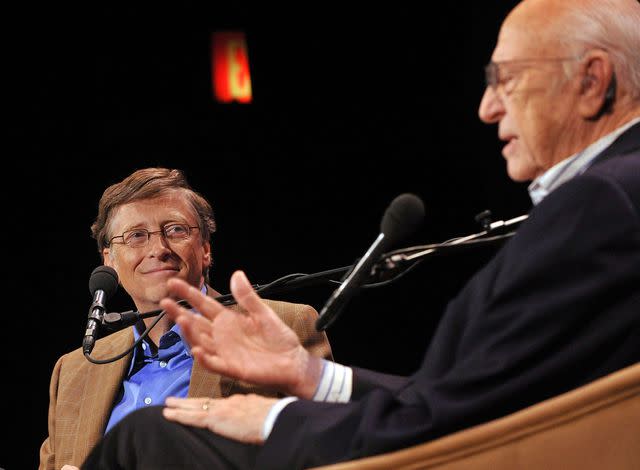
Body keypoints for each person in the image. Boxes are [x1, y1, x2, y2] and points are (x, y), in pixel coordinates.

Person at [82, 0, 640, 468]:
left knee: (148, 435)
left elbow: (454, 421)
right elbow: (476, 396)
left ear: (592, 81)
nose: (488, 107)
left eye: (506, 79)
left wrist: (275, 419)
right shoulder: (610, 199)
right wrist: (309, 377)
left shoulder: (601, 203)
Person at [38, 167, 333, 470]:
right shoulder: (74, 371)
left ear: (205, 249)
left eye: (176, 230)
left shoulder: (282, 325)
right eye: (136, 236)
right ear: (109, 260)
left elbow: (326, 452)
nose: (158, 249)